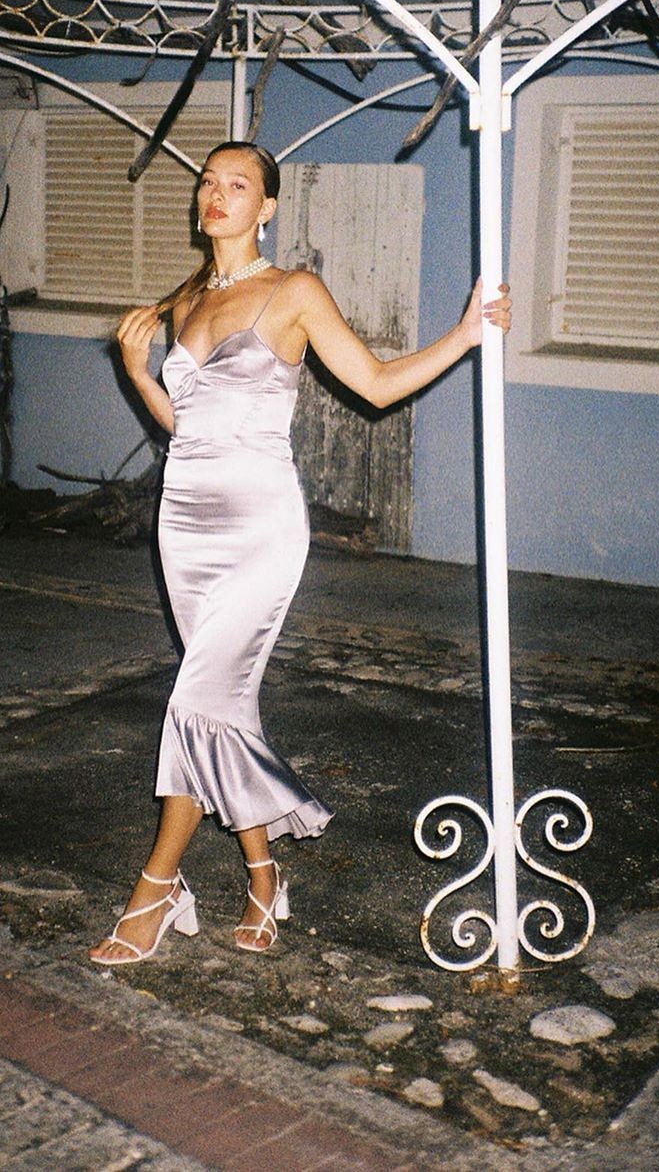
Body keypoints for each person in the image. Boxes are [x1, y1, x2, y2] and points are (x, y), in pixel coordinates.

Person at [89, 141, 511, 965]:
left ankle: (156, 889)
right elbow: (187, 427)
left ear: (268, 207)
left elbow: (377, 385)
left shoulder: (293, 291)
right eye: (208, 182)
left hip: (260, 527)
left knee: (196, 699)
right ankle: (263, 875)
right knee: (222, 706)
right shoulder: (185, 302)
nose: (215, 194)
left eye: (236, 184)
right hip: (184, 524)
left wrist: (463, 336)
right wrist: (139, 374)